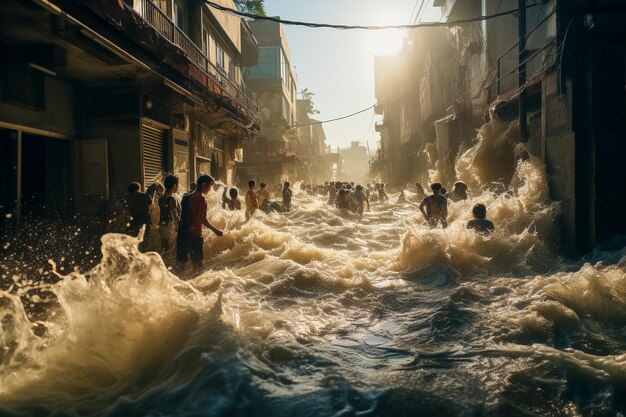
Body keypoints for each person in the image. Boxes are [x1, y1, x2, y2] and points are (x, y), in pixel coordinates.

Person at [177, 175, 223, 269]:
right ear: (204, 184)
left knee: (181, 265)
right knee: (197, 266)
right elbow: (202, 219)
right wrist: (215, 230)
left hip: (182, 233)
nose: (210, 190)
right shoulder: (201, 199)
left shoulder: (185, 197)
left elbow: (180, 214)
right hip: (194, 235)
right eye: (209, 186)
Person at [158, 175, 181, 254]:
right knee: (169, 249)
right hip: (169, 225)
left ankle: (163, 262)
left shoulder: (161, 198)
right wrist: (178, 225)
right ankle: (167, 264)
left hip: (162, 225)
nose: (178, 187)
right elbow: (175, 214)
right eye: (178, 185)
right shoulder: (172, 198)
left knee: (164, 247)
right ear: (174, 185)